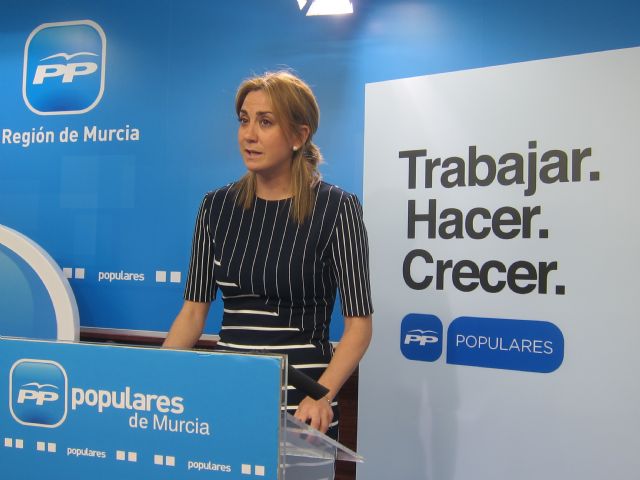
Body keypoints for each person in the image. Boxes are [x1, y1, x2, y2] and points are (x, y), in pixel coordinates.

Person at [163, 71, 373, 443]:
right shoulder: (215, 207)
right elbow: (193, 313)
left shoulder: (337, 207)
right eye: (244, 120)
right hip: (227, 394)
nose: (249, 135)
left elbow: (359, 327)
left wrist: (321, 396)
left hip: (303, 407)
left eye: (265, 122)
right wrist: (152, 376)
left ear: (298, 136)